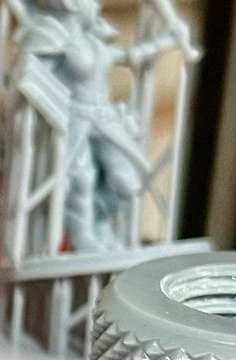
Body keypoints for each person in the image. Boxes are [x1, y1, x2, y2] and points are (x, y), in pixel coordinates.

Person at [10, 0, 192, 251]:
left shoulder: (95, 41)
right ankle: (84, 237)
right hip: (75, 119)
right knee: (81, 180)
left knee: (128, 181)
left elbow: (131, 55)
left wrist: (167, 40)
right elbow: (33, 77)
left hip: (105, 118)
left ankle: (98, 221)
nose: (96, 6)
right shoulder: (53, 38)